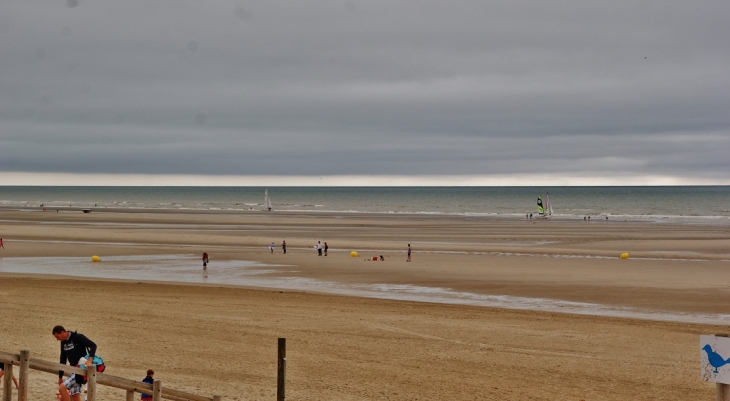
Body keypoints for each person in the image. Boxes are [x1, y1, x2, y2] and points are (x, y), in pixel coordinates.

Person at [52, 325, 97, 401]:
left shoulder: (77, 337)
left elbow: (93, 345)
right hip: (73, 370)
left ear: (62, 332)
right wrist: (60, 377)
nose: (57, 339)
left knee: (62, 388)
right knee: (75, 396)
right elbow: (62, 359)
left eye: (57, 337)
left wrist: (89, 360)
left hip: (81, 369)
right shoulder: (63, 342)